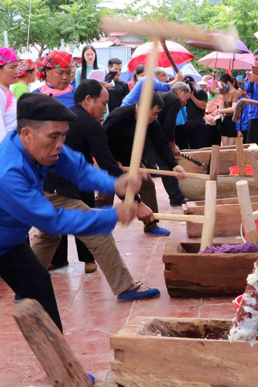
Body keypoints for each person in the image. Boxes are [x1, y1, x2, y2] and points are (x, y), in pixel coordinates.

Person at [0, 94, 143, 387]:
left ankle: (59, 365)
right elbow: (51, 219)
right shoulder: (5, 171)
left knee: (40, 288)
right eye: (53, 137)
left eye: (63, 136)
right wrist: (114, 214)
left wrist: (115, 184)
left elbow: (81, 171)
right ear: (27, 134)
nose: (59, 144)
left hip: (6, 237)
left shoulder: (48, 149)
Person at [34, 80, 163, 297]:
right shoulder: (87, 123)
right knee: (97, 231)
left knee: (49, 236)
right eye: (103, 104)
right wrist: (134, 202)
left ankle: (25, 286)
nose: (105, 109)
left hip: (46, 189)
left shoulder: (71, 120)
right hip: (57, 191)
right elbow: (107, 166)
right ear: (88, 100)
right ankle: (125, 287)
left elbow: (92, 168)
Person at [103, 93, 188, 223]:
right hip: (111, 161)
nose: (156, 117)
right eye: (154, 113)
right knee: (106, 194)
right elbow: (101, 142)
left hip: (133, 160)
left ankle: (151, 224)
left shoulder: (152, 122)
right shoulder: (118, 116)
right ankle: (97, 227)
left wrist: (174, 165)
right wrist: (111, 161)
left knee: (147, 185)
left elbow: (161, 144)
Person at [182, 77, 210, 150]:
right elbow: (182, 104)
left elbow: (202, 106)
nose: (190, 86)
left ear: (195, 83)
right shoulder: (186, 95)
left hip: (199, 124)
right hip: (189, 123)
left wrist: (192, 96)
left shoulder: (201, 92)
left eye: (191, 84)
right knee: (191, 147)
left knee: (201, 147)